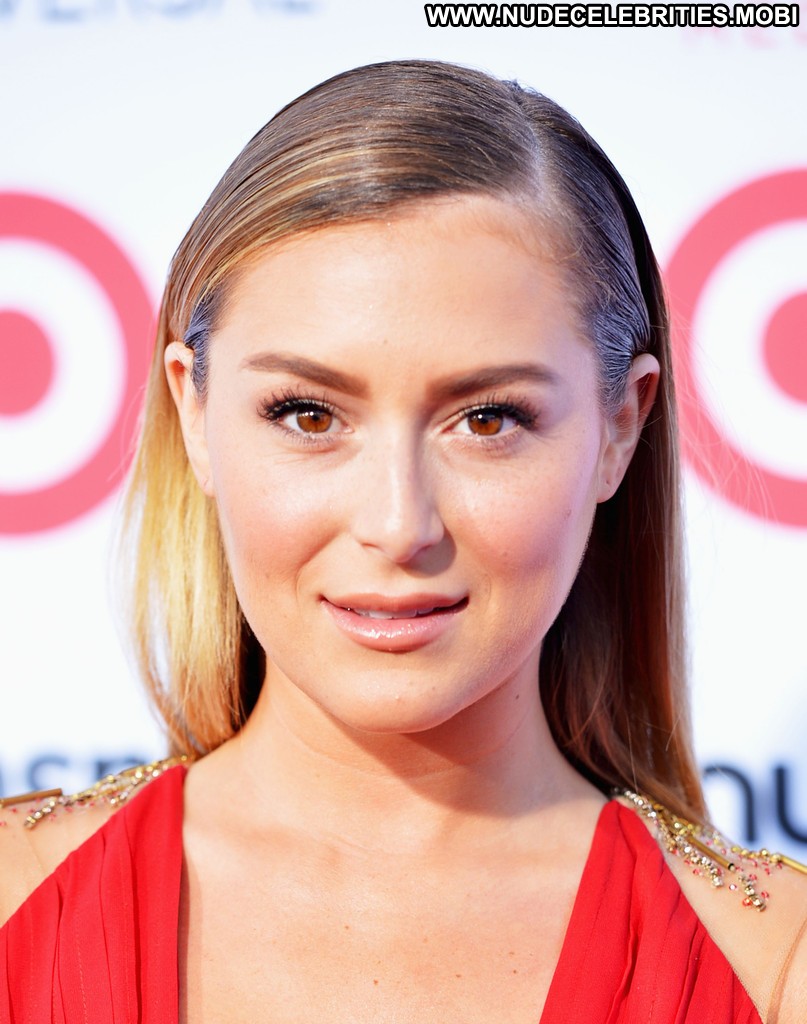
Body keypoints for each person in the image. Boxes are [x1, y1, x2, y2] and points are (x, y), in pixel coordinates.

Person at [0, 59, 805, 1023]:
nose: (396, 525)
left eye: (488, 419)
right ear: (195, 412)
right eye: (307, 414)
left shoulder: (774, 965)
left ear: (619, 428)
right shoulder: (16, 901)